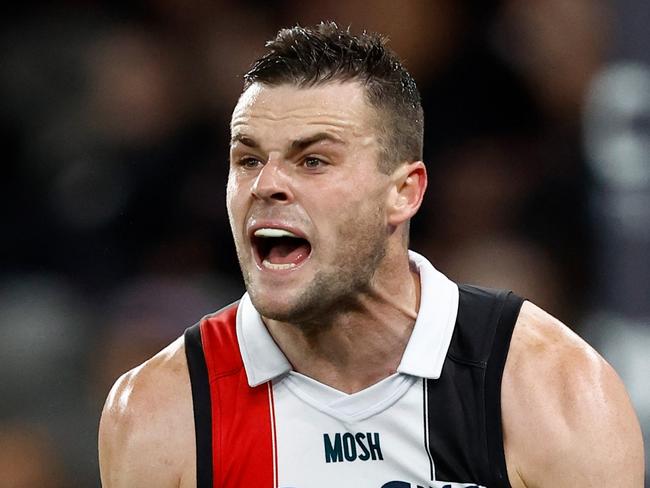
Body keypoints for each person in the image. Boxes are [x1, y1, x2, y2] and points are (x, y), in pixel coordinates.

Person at [98, 22, 644, 488]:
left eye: (312, 160)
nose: (266, 184)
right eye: (247, 160)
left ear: (404, 192)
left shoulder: (551, 389)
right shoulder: (160, 413)